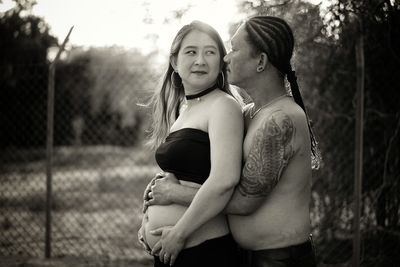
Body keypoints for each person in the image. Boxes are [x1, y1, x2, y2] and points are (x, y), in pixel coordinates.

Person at [143, 15, 320, 267]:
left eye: (234, 49)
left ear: (260, 61)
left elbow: (242, 202)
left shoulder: (280, 120)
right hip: (249, 255)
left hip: (278, 259)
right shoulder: (251, 113)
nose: (226, 57)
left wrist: (173, 193)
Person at [137, 20, 244, 267]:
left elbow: (223, 181)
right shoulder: (185, 109)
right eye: (191, 52)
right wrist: (146, 223)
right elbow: (184, 175)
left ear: (220, 63)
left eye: (210, 52)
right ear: (175, 62)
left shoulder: (223, 106)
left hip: (203, 252)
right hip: (172, 251)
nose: (200, 60)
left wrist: (178, 233)